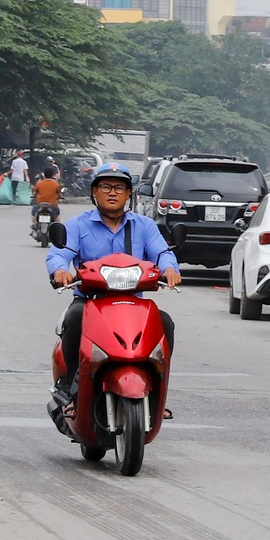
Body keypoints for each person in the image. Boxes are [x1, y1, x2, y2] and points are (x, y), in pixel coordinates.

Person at [45, 162, 180, 413]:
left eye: (119, 187)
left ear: (129, 194)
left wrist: (170, 269)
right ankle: (70, 384)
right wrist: (60, 270)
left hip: (133, 303)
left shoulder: (144, 226)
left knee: (165, 322)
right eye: (105, 186)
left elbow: (162, 252)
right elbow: (59, 253)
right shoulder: (78, 225)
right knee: (74, 317)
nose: (112, 192)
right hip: (91, 300)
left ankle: (157, 390)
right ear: (94, 192)